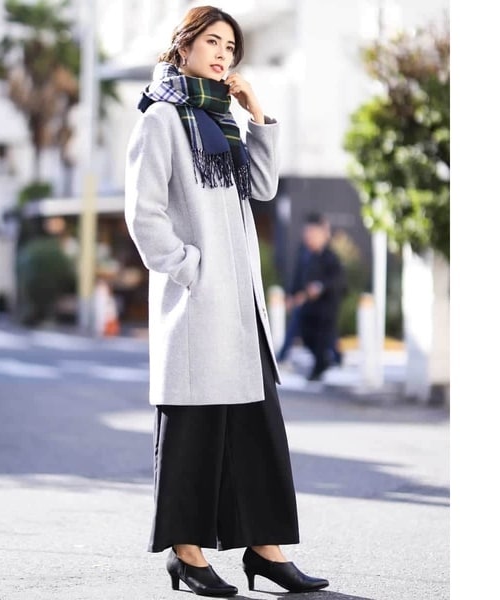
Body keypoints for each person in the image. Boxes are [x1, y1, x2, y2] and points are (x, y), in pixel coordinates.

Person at [124, 5, 329, 597]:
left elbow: (261, 187)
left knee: (256, 429)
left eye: (231, 47)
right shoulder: (161, 118)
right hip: (197, 306)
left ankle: (266, 551)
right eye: (213, 42)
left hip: (241, 309)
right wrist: (192, 269)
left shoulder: (224, 118)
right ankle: (186, 555)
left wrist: (256, 112)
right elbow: (143, 216)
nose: (223, 54)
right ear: (184, 46)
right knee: (193, 434)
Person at [277, 213, 346, 381]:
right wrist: (291, 294)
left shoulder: (330, 257)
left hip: (326, 307)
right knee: (307, 335)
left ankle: (320, 367)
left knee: (323, 338)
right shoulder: (305, 255)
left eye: (312, 233)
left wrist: (320, 287)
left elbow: (337, 280)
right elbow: (297, 278)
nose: (309, 237)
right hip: (308, 307)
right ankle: (331, 359)